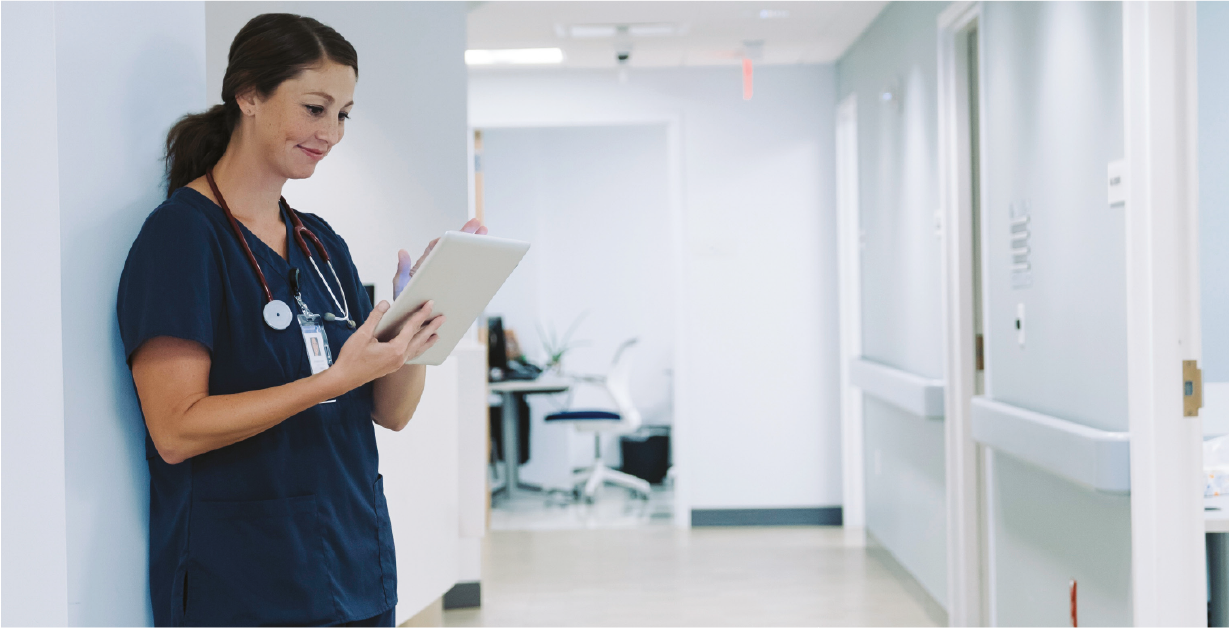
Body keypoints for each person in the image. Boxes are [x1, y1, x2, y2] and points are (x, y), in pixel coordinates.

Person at [116, 13, 485, 628]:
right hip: (242, 581)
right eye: (315, 108)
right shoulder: (182, 239)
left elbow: (389, 414)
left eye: (343, 114)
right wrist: (331, 382)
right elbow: (175, 430)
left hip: (353, 567)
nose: (332, 133)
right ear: (250, 95)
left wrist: (417, 329)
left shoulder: (321, 244)